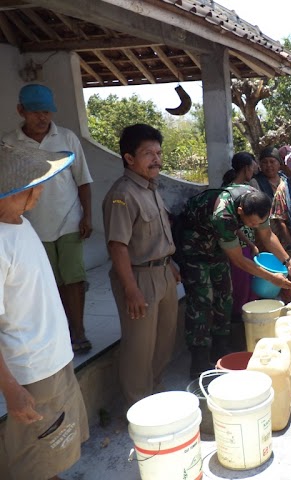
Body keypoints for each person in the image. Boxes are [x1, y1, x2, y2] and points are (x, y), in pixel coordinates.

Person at [0, 143, 89, 480]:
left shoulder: (20, 223)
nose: (38, 193)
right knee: (35, 454)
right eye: (31, 187)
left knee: (53, 445)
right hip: (30, 370)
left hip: (53, 357)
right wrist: (10, 388)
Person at [2, 84, 94, 354]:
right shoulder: (8, 143)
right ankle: (61, 332)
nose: (42, 118)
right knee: (48, 283)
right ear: (21, 111)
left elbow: (83, 181)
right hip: (32, 227)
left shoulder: (67, 138)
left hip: (69, 221)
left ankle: (78, 331)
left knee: (74, 279)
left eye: (46, 112)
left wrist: (87, 216)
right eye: (35, 112)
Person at [178, 183, 291, 378]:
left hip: (218, 244)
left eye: (257, 223)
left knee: (225, 294)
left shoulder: (256, 202)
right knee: (202, 299)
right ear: (240, 211)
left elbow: (267, 235)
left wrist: (288, 262)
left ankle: (220, 346)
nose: (254, 227)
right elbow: (238, 260)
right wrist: (272, 278)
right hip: (194, 245)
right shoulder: (223, 215)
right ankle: (199, 358)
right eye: (250, 224)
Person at [102, 124, 181, 406]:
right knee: (139, 348)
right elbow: (118, 246)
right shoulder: (122, 194)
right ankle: (137, 406)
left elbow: (158, 234)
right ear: (129, 158)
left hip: (163, 273)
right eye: (148, 153)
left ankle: (154, 392)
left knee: (164, 341)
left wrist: (168, 264)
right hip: (138, 278)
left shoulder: (151, 188)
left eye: (158, 152)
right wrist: (131, 289)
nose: (156, 159)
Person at [221, 152, 260, 318]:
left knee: (248, 283)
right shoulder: (235, 194)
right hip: (237, 246)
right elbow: (233, 228)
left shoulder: (234, 191)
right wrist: (251, 244)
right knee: (241, 285)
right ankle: (241, 319)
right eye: (252, 167)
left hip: (245, 244)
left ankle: (250, 315)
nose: (254, 170)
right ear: (246, 168)